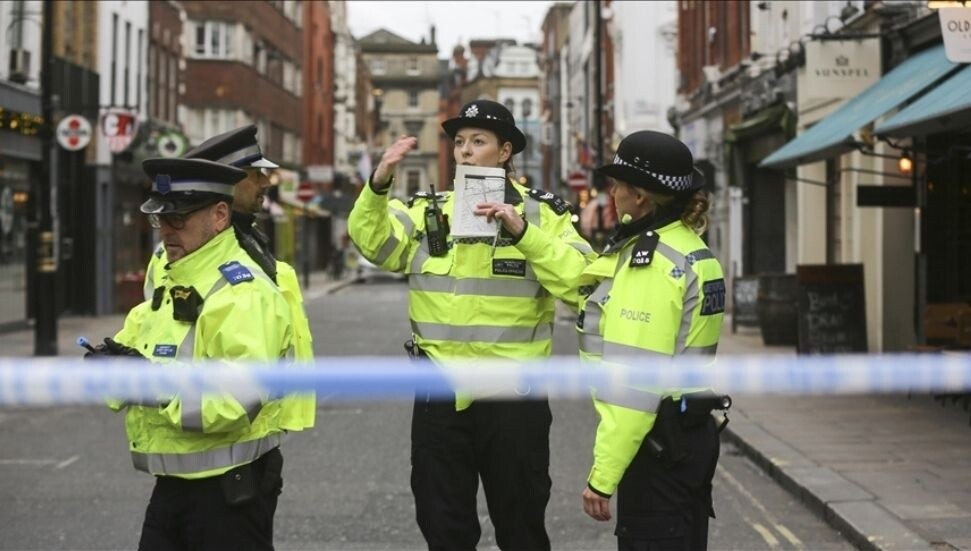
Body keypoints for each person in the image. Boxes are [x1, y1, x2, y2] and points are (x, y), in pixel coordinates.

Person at [348, 99, 595, 551]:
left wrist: (524, 234)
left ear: (504, 153)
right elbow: (375, 244)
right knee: (443, 527)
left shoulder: (544, 215)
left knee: (521, 527)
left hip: (513, 398)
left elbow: (582, 282)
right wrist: (378, 184)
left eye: (478, 141)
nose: (464, 150)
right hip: (439, 395)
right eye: (459, 142)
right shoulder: (428, 212)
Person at [477, 130, 727, 550]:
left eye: (618, 183)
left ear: (641, 196)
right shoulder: (684, 248)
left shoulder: (651, 265)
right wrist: (524, 232)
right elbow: (581, 281)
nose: (610, 191)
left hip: (657, 445)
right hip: (688, 435)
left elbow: (634, 388)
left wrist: (603, 477)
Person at [88, 157, 300, 550]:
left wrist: (150, 385)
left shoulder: (243, 292)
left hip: (229, 492)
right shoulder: (173, 279)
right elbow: (133, 360)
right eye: (160, 219)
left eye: (179, 218)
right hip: (175, 486)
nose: (166, 229)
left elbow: (235, 401)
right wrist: (107, 370)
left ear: (220, 215)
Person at [143, 125, 315, 433]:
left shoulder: (250, 239)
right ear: (226, 180)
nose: (266, 181)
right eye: (253, 173)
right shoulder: (195, 250)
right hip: (214, 430)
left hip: (245, 427)